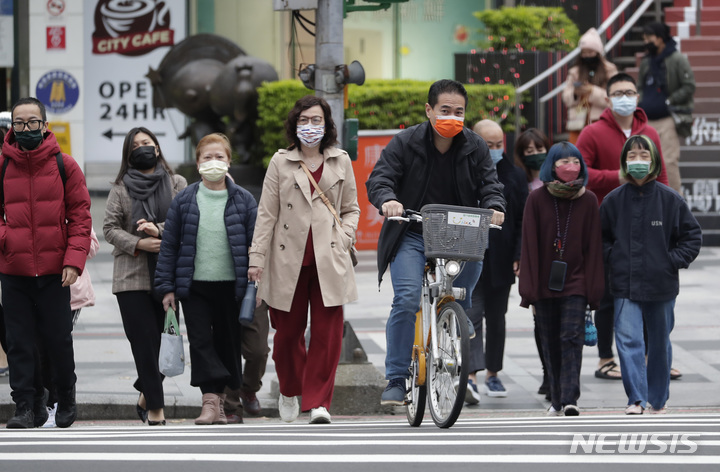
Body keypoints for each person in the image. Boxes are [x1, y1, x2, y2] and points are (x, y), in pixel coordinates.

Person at [365, 79, 505, 406]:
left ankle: (458, 309)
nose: (452, 117)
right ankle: (396, 379)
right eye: (445, 110)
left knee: (467, 277)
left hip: (460, 233)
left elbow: (490, 184)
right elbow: (380, 178)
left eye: (459, 112)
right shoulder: (405, 142)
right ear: (429, 110)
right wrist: (388, 200)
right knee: (408, 299)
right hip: (412, 232)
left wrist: (496, 207)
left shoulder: (475, 145)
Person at [248, 95, 359, 425]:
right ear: (294, 125)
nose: (310, 126)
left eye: (317, 120)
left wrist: (346, 237)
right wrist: (256, 258)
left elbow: (351, 208)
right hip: (287, 260)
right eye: (304, 120)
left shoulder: (341, 160)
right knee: (285, 336)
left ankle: (319, 402)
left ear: (327, 125)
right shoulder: (280, 162)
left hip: (330, 258)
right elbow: (267, 214)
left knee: (328, 335)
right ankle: (290, 389)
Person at [0, 97, 92, 429]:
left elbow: (81, 217)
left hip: (56, 273)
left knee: (58, 339)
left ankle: (65, 396)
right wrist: (6, 239)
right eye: (19, 123)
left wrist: (73, 261)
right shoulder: (2, 166)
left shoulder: (64, 165)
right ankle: (28, 406)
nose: (26, 128)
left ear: (44, 125)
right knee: (19, 342)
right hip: (13, 271)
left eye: (32, 122)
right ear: (12, 127)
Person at [155, 133, 257, 426]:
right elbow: (170, 246)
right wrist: (167, 288)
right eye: (207, 158)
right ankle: (209, 402)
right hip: (195, 286)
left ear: (229, 161)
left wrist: (256, 283)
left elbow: (257, 244)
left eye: (220, 157)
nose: (214, 163)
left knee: (228, 343)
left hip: (231, 287)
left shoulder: (244, 200)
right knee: (200, 342)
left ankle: (220, 404)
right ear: (198, 163)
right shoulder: (185, 200)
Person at [576, 72, 671, 381]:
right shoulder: (592, 132)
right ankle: (606, 357)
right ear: (607, 97)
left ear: (638, 96)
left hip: (647, 224)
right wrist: (614, 177)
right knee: (607, 294)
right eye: (618, 93)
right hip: (607, 221)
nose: (624, 98)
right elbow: (580, 174)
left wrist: (669, 218)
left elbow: (663, 175)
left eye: (629, 92)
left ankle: (650, 356)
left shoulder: (650, 133)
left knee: (648, 291)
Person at [600, 135, 701, 414]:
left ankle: (658, 399)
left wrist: (671, 261)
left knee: (659, 342)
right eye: (632, 156)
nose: (638, 161)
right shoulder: (613, 200)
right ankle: (636, 399)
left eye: (644, 156)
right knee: (628, 339)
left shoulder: (670, 199)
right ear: (624, 162)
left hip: (662, 284)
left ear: (655, 161)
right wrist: (614, 258)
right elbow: (600, 239)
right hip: (623, 283)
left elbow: (691, 237)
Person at [103, 127, 187, 426]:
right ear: (129, 153)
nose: (143, 148)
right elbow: (110, 228)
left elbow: (185, 220)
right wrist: (138, 243)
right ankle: (156, 409)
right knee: (144, 344)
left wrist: (159, 232)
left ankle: (145, 390)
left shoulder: (177, 183)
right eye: (136, 145)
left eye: (147, 143)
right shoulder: (120, 188)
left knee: (168, 345)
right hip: (131, 278)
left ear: (158, 147)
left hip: (168, 277)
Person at [518, 142, 605, 417]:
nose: (570, 166)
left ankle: (570, 399)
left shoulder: (588, 199)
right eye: (563, 161)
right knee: (550, 341)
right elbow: (529, 245)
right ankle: (556, 399)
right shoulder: (536, 199)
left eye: (575, 161)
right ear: (551, 166)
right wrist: (529, 290)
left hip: (576, 281)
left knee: (571, 337)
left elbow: (593, 247)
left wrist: (594, 291)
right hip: (544, 283)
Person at [465, 120, 527, 402]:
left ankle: (493, 373)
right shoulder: (463, 171)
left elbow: (523, 221)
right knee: (471, 316)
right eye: (487, 145)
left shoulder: (514, 176)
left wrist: (518, 255)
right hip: (469, 258)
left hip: (501, 261)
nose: (493, 150)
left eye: (498, 144)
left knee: (497, 319)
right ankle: (470, 375)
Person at [514, 127, 553, 398]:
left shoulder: (558, 180)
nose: (536, 155)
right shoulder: (520, 184)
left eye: (540, 149)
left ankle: (557, 372)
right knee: (540, 318)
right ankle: (547, 371)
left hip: (557, 256)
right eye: (530, 151)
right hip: (532, 258)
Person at [638, 22, 696, 194]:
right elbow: (640, 86)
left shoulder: (677, 59)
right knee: (643, 162)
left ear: (660, 38)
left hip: (668, 119)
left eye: (649, 37)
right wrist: (640, 101)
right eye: (644, 38)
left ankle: (674, 204)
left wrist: (670, 101)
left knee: (669, 162)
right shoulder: (646, 61)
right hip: (646, 120)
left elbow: (689, 85)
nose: (646, 41)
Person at [562, 27, 618, 143]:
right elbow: (566, 98)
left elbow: (614, 98)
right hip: (577, 122)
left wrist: (592, 90)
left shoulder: (610, 70)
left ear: (598, 53)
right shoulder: (575, 71)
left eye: (590, 52)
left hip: (601, 120)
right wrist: (575, 93)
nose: (587, 56)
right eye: (584, 53)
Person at [514, 128, 552, 193]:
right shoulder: (517, 181)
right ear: (522, 154)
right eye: (530, 151)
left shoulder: (555, 180)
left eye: (540, 150)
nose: (535, 154)